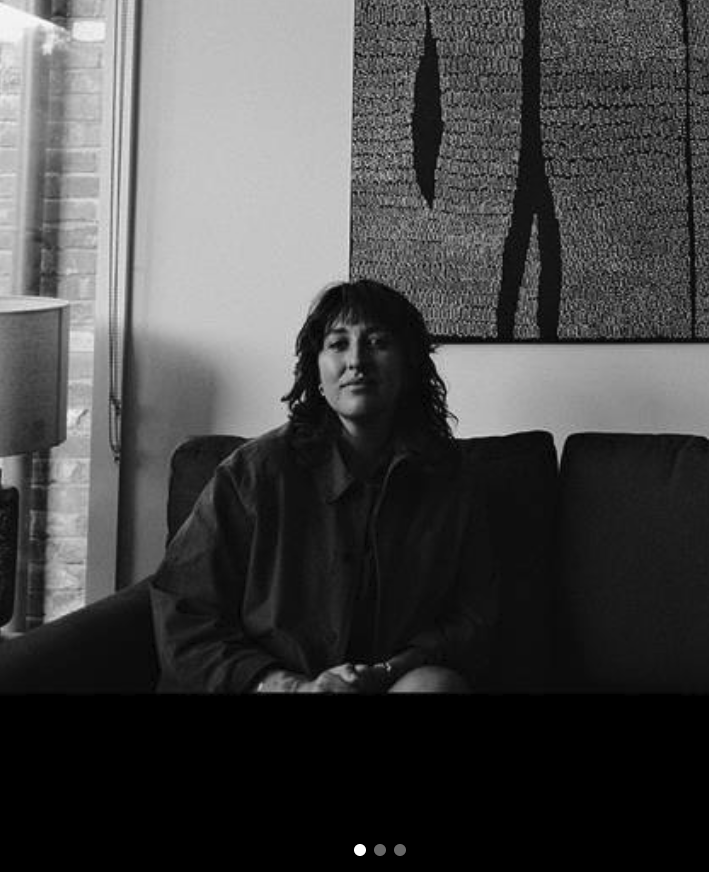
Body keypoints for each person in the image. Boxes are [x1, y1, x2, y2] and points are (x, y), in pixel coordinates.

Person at [150, 278, 499, 693]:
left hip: (392, 683)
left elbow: (474, 617)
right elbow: (184, 611)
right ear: (316, 370)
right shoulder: (254, 473)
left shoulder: (450, 478)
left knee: (435, 686)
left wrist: (389, 670)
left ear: (408, 367)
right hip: (272, 685)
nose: (357, 361)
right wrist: (290, 686)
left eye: (378, 342)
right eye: (338, 344)